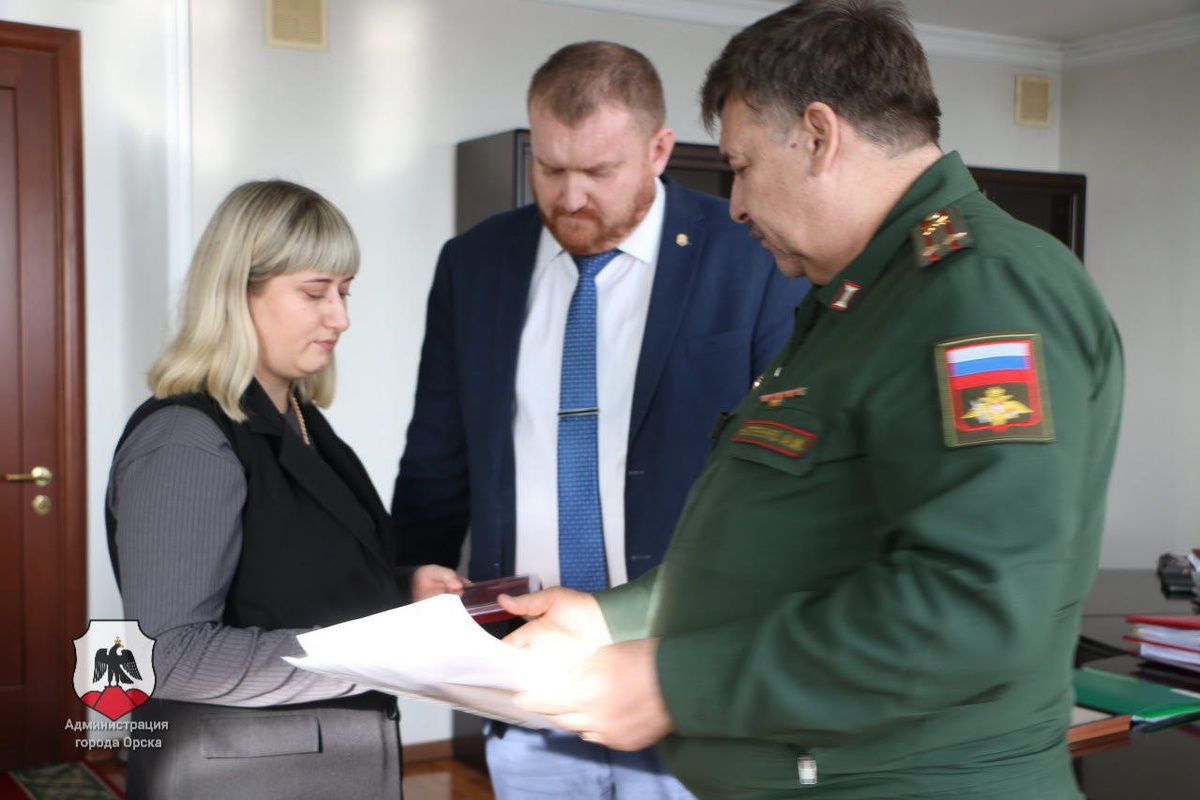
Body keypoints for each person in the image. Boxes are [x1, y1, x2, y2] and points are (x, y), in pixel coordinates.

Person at [498, 2, 1125, 798]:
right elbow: (791, 545)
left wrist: (671, 683)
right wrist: (610, 619)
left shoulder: (981, 291)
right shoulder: (858, 296)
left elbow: (971, 607)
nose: (735, 204)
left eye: (742, 165)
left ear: (820, 136)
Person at [392, 41, 807, 800]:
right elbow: (435, 458)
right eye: (550, 169)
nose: (571, 197)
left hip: (683, 681)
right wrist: (412, 582)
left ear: (659, 150)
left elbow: (786, 489)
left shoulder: (749, 255)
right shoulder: (475, 264)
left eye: (599, 172)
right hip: (525, 679)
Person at [106, 180, 464, 800]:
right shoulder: (185, 440)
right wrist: (378, 656)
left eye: (345, 291)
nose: (341, 318)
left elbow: (287, 576)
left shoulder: (298, 418)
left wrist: (402, 588)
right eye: (315, 292)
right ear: (236, 292)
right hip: (242, 776)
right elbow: (169, 654)